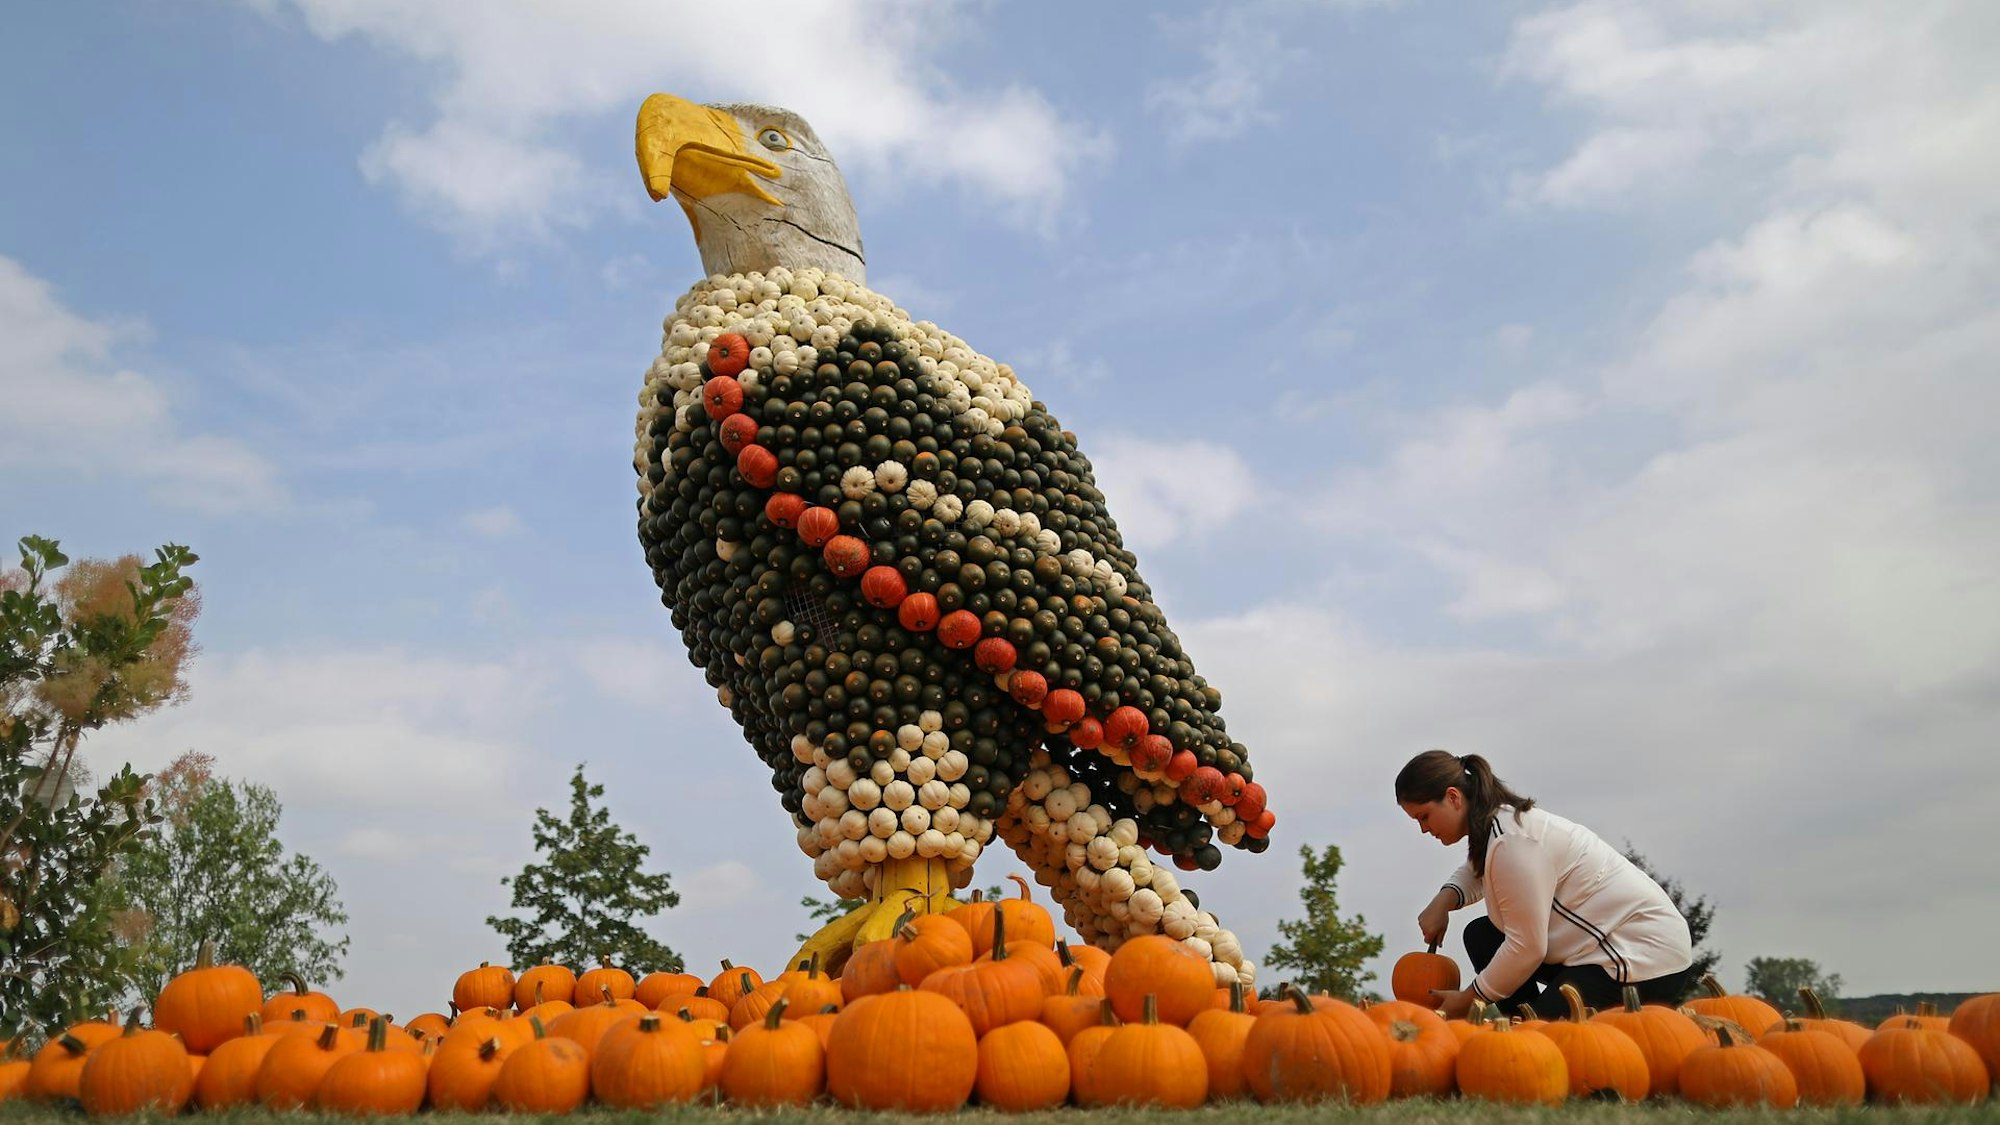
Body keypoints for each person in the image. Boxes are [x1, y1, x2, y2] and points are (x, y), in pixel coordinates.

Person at [1396, 749, 1696, 1019]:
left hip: (1639, 957)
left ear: (1453, 797)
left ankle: (1534, 1031)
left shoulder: (1513, 843)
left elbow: (1527, 948)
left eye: (1424, 816)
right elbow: (1478, 870)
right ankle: (1528, 1023)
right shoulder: (1498, 826)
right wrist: (1444, 900)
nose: (1423, 829)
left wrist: (1470, 998)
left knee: (1546, 1041)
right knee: (1482, 936)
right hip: (1597, 946)